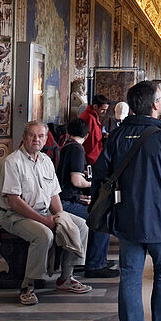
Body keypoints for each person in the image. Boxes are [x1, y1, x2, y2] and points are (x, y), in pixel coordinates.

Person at [93, 81, 161, 321]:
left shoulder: (116, 137)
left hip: (128, 220)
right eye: (160, 99)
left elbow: (101, 174)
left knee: (131, 279)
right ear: (155, 105)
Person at [0, 120, 92, 306]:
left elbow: (53, 194)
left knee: (80, 225)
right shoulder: (13, 162)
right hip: (14, 216)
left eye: (41, 136)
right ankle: (28, 286)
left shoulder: (45, 160)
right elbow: (14, 201)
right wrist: (44, 221)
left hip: (43, 211)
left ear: (46, 138)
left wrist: (61, 217)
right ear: (24, 137)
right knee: (44, 235)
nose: (36, 139)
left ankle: (66, 278)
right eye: (32, 135)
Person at [56, 119, 119, 278]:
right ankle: (95, 264)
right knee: (101, 218)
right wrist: (92, 185)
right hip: (66, 202)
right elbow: (76, 180)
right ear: (88, 134)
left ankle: (92, 259)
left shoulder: (66, 146)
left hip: (63, 199)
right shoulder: (77, 149)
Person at [79, 94, 109, 165]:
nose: (104, 112)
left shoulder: (93, 117)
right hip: (90, 158)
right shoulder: (89, 118)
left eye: (106, 110)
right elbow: (90, 142)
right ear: (95, 106)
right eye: (103, 109)